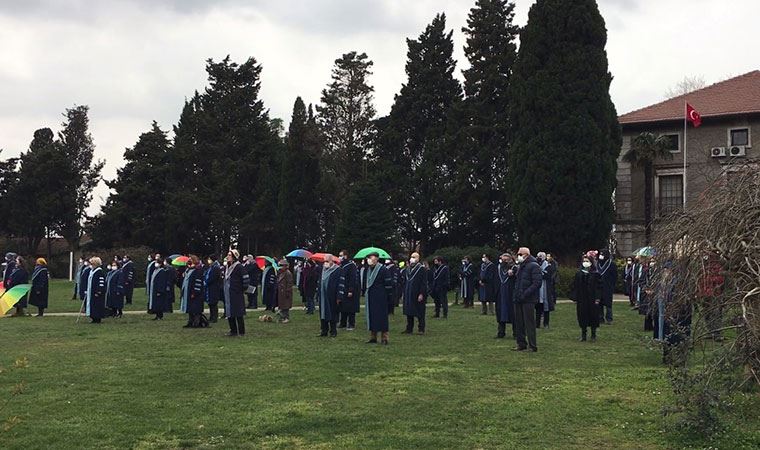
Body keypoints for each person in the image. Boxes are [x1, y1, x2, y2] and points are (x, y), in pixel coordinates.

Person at [513, 247, 541, 352]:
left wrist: (525, 294)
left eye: (520, 254)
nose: (518, 255)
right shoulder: (520, 266)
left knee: (529, 323)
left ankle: (532, 345)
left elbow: (537, 283)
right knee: (519, 322)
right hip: (518, 298)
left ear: (527, 254)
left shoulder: (534, 266)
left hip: (528, 299)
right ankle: (521, 344)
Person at [362, 252, 394, 345]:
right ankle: (373, 336)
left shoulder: (383, 269)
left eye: (370, 258)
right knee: (372, 316)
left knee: (382, 317)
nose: (369, 260)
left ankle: (384, 338)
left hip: (381, 297)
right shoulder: (368, 270)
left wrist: (389, 296)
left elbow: (388, 284)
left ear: (376, 259)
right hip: (371, 296)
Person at [569, 255, 602, 342]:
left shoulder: (595, 274)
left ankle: (593, 335)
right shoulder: (579, 273)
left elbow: (599, 287)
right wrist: (575, 297)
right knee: (582, 316)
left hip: (592, 298)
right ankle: (583, 334)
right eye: (584, 261)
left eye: (587, 261)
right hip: (582, 298)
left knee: (593, 316)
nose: (585, 263)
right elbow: (575, 286)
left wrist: (597, 298)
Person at [223, 249, 249, 337]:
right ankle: (233, 330)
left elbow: (245, 279)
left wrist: (241, 289)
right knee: (230, 312)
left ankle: (241, 332)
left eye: (229, 255)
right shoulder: (227, 267)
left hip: (236, 292)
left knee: (238, 312)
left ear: (234, 257)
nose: (227, 257)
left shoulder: (239, 267)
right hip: (228, 292)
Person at [402, 252, 427, 335]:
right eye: (411, 257)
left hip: (417, 293)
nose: (412, 258)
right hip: (409, 292)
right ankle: (409, 328)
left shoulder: (421, 269)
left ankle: (421, 328)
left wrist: (421, 293)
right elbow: (405, 282)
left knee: (420, 311)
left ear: (418, 259)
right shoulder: (408, 269)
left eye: (414, 257)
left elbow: (423, 283)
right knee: (409, 311)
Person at [318, 255, 341, 337]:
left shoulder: (337, 270)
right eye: (324, 261)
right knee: (323, 313)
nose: (325, 263)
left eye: (327, 261)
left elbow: (340, 284)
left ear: (332, 261)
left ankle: (333, 331)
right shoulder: (323, 270)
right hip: (323, 295)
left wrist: (339, 296)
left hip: (332, 296)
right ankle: (324, 330)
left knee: (332, 314)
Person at [496, 253, 517, 339]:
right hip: (501, 293)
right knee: (501, 313)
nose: (503, 262)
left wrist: (514, 272)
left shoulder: (515, 267)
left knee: (513, 313)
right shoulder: (499, 267)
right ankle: (501, 332)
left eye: (505, 260)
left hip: (511, 293)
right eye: (502, 260)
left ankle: (516, 333)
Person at [180, 255, 205, 328]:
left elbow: (198, 282)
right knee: (190, 309)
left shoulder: (198, 270)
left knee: (196, 309)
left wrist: (194, 292)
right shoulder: (188, 270)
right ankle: (190, 322)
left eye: (191, 259)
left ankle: (196, 323)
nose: (189, 260)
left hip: (195, 294)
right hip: (188, 292)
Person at [338, 250, 360, 330]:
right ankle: (343, 323)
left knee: (350, 308)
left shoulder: (351, 266)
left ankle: (351, 323)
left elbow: (352, 279)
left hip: (350, 289)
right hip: (343, 289)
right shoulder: (342, 265)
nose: (339, 257)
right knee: (343, 307)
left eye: (341, 255)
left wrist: (350, 290)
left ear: (346, 256)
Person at [535, 252, 556, 329]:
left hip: (545, 288)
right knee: (538, 307)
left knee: (546, 308)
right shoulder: (535, 265)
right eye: (538, 256)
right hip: (538, 289)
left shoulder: (548, 266)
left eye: (541, 256)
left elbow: (547, 276)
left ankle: (546, 323)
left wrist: (541, 274)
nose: (539, 258)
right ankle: (537, 324)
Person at [84, 257, 107, 324]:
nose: (91, 265)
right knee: (92, 305)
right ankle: (93, 317)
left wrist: (99, 291)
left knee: (97, 305)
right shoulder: (92, 272)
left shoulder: (99, 272)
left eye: (92, 263)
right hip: (91, 292)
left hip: (97, 293)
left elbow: (101, 282)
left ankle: (97, 318)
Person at [597, 249, 617, 325]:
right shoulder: (598, 264)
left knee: (608, 304)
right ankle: (600, 318)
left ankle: (609, 318)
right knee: (599, 303)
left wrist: (612, 286)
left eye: (602, 254)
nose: (601, 256)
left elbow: (614, 276)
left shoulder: (611, 264)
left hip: (608, 287)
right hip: (599, 287)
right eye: (600, 254)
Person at [204, 255, 223, 322]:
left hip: (214, 287)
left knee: (213, 303)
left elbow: (213, 278)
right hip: (209, 288)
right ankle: (211, 317)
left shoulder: (216, 268)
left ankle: (214, 317)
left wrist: (207, 281)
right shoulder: (210, 267)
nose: (208, 260)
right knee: (210, 303)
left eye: (209, 259)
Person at [276, 259, 293, 323]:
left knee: (286, 306)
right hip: (281, 292)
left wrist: (287, 291)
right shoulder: (281, 273)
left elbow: (289, 283)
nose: (280, 267)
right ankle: (281, 317)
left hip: (285, 292)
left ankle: (286, 317)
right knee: (281, 305)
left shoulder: (288, 273)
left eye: (282, 266)